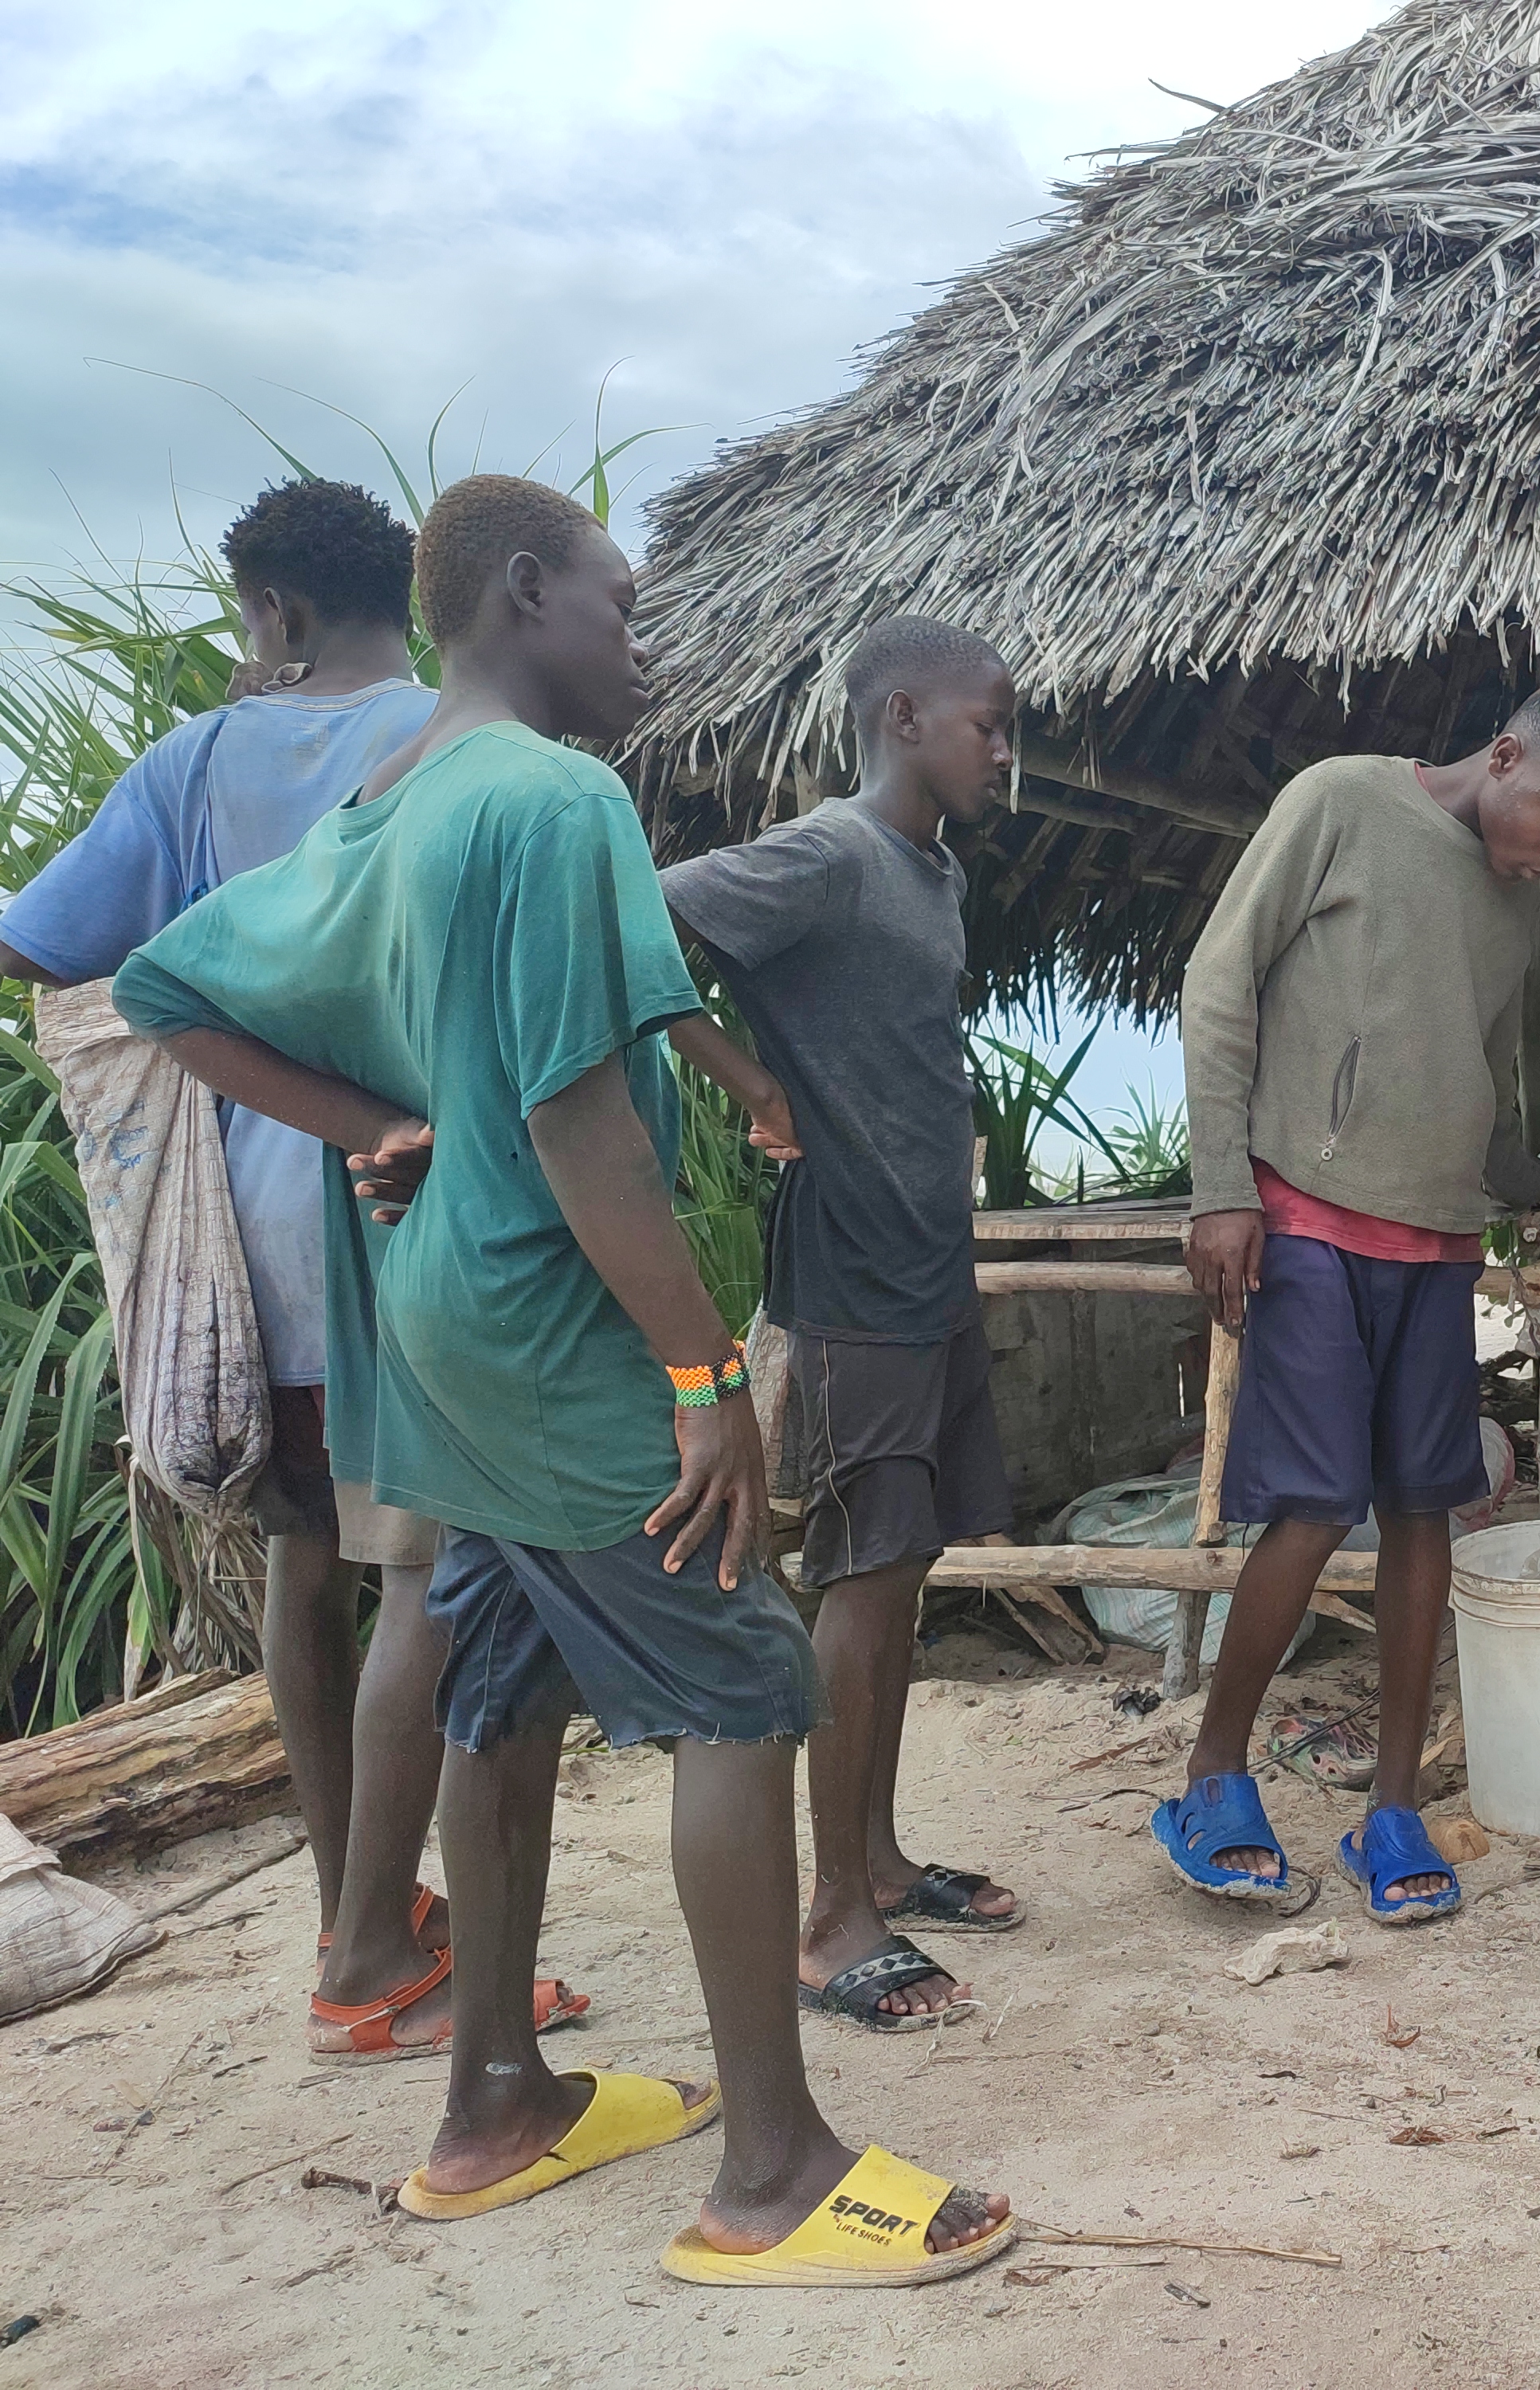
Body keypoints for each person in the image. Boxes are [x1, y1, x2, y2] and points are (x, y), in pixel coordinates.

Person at [113, 473, 1008, 2286]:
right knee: (746, 1683)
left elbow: (162, 982)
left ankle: (495, 2101)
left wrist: (383, 1120)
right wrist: (703, 1373)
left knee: (501, 1681)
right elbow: (580, 1121)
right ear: (523, 592)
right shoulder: (551, 795)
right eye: (619, 599)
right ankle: (774, 2172)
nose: (642, 639)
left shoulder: (398, 804)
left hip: (429, 1316)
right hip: (546, 1317)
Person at [0, 476, 583, 2060]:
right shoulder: (459, 744)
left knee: (310, 1570)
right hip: (405, 1209)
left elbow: (44, 942)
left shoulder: (196, 760)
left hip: (245, 1237)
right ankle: (375, 1956)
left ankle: (358, 1913)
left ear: (267, 612)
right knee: (430, 1581)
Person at [1162, 680, 1540, 1923]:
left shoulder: (1518, 913)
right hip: (1308, 1221)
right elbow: (1219, 985)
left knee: (1426, 1507)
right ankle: (1212, 1776)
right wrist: (1222, 1191)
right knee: (1316, 1507)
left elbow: (1491, 1087)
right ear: (1502, 756)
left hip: (1435, 1244)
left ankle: (1391, 1809)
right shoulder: (1339, 803)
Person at [657, 614, 1020, 2032]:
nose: (1004, 750)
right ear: (904, 715)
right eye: (987, 724)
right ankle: (829, 1922)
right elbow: (641, 922)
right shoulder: (827, 853)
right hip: (855, 1274)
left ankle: (876, 1857)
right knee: (862, 1582)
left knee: (905, 1569)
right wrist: (750, 1082)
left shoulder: (929, 873)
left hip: (925, 1266)